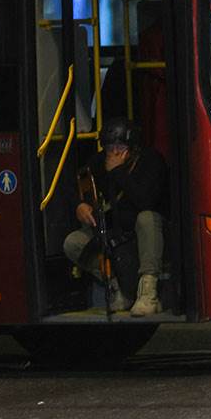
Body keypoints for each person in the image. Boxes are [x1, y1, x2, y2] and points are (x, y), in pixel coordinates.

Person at [64, 118, 168, 317]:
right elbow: (72, 184)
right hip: (116, 233)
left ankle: (148, 291)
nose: (114, 152)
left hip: (146, 235)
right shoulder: (99, 161)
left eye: (120, 146)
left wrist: (119, 172)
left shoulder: (151, 160)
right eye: (109, 147)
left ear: (132, 147)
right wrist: (79, 205)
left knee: (146, 218)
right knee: (73, 242)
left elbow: (145, 201)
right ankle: (117, 286)